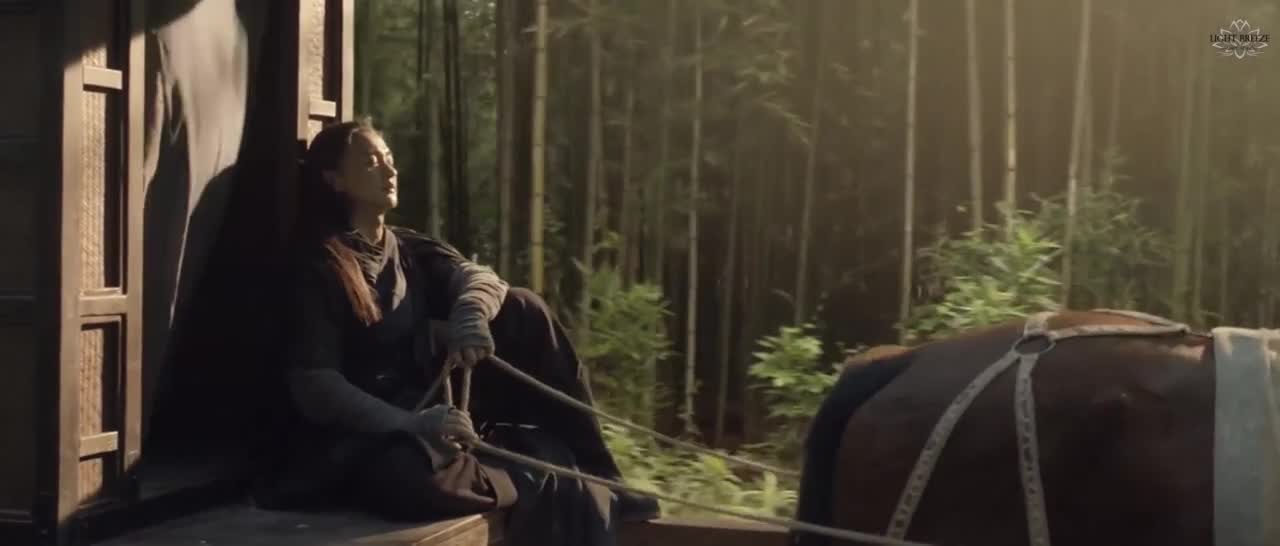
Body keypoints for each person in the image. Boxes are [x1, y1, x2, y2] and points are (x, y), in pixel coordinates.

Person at [255, 119, 659, 544]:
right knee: (408, 481)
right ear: (334, 179)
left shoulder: (406, 246)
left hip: (428, 409)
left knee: (524, 308)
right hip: (367, 433)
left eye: (389, 159)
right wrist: (408, 424)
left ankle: (600, 472)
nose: (390, 170)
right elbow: (316, 385)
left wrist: (471, 314)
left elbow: (481, 277)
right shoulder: (319, 264)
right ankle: (539, 465)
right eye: (372, 162)